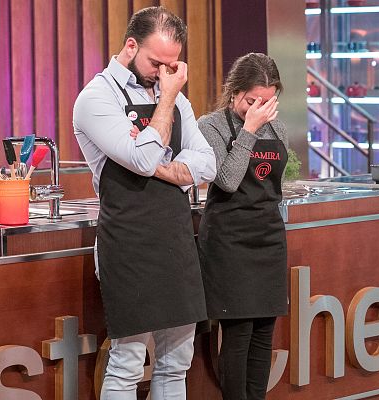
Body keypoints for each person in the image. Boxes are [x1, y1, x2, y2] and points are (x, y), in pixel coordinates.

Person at [72, 6, 216, 400]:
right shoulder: (96, 97)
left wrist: (162, 165)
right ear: (130, 46)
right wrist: (169, 99)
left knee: (177, 360)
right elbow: (140, 159)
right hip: (129, 244)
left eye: (173, 65)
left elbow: (207, 163)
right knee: (128, 362)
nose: (165, 73)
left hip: (175, 240)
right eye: (157, 63)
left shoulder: (171, 94)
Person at [197, 53, 289, 400]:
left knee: (265, 332)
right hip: (229, 242)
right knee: (238, 333)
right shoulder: (211, 126)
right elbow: (228, 179)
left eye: (267, 101)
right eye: (252, 101)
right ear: (234, 93)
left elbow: (277, 183)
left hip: (267, 237)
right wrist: (248, 130)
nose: (259, 108)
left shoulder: (277, 128)